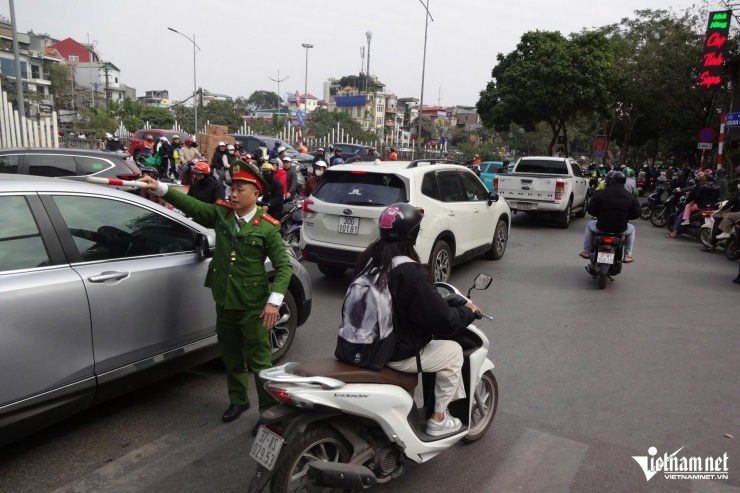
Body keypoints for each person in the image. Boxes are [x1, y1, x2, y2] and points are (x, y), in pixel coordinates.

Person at [138, 161, 291, 430]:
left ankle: (268, 412)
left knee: (259, 361)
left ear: (255, 194)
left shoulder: (267, 227)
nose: (232, 193)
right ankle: (238, 400)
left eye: (240, 189)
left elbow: (284, 266)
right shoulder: (222, 214)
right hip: (225, 300)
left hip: (253, 306)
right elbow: (193, 207)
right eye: (232, 187)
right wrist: (160, 188)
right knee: (231, 355)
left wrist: (273, 302)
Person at [351, 203, 480, 436]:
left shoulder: (368, 262)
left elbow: (401, 304)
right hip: (391, 353)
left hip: (358, 346)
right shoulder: (410, 271)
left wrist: (444, 301)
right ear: (414, 234)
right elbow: (445, 323)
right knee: (452, 351)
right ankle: (439, 419)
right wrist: (468, 312)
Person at [580, 171, 640, 263]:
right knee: (632, 229)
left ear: (611, 181)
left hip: (601, 227)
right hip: (621, 229)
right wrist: (626, 217)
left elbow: (590, 209)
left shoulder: (601, 193)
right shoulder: (630, 196)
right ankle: (627, 255)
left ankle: (586, 251)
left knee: (589, 225)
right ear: (624, 182)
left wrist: (599, 215)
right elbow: (637, 213)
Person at [668, 172, 719, 237]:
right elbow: (717, 197)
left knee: (681, 215)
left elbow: (696, 196)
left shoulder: (701, 185)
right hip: (711, 207)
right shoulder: (716, 187)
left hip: (700, 206)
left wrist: (690, 202)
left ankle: (675, 232)